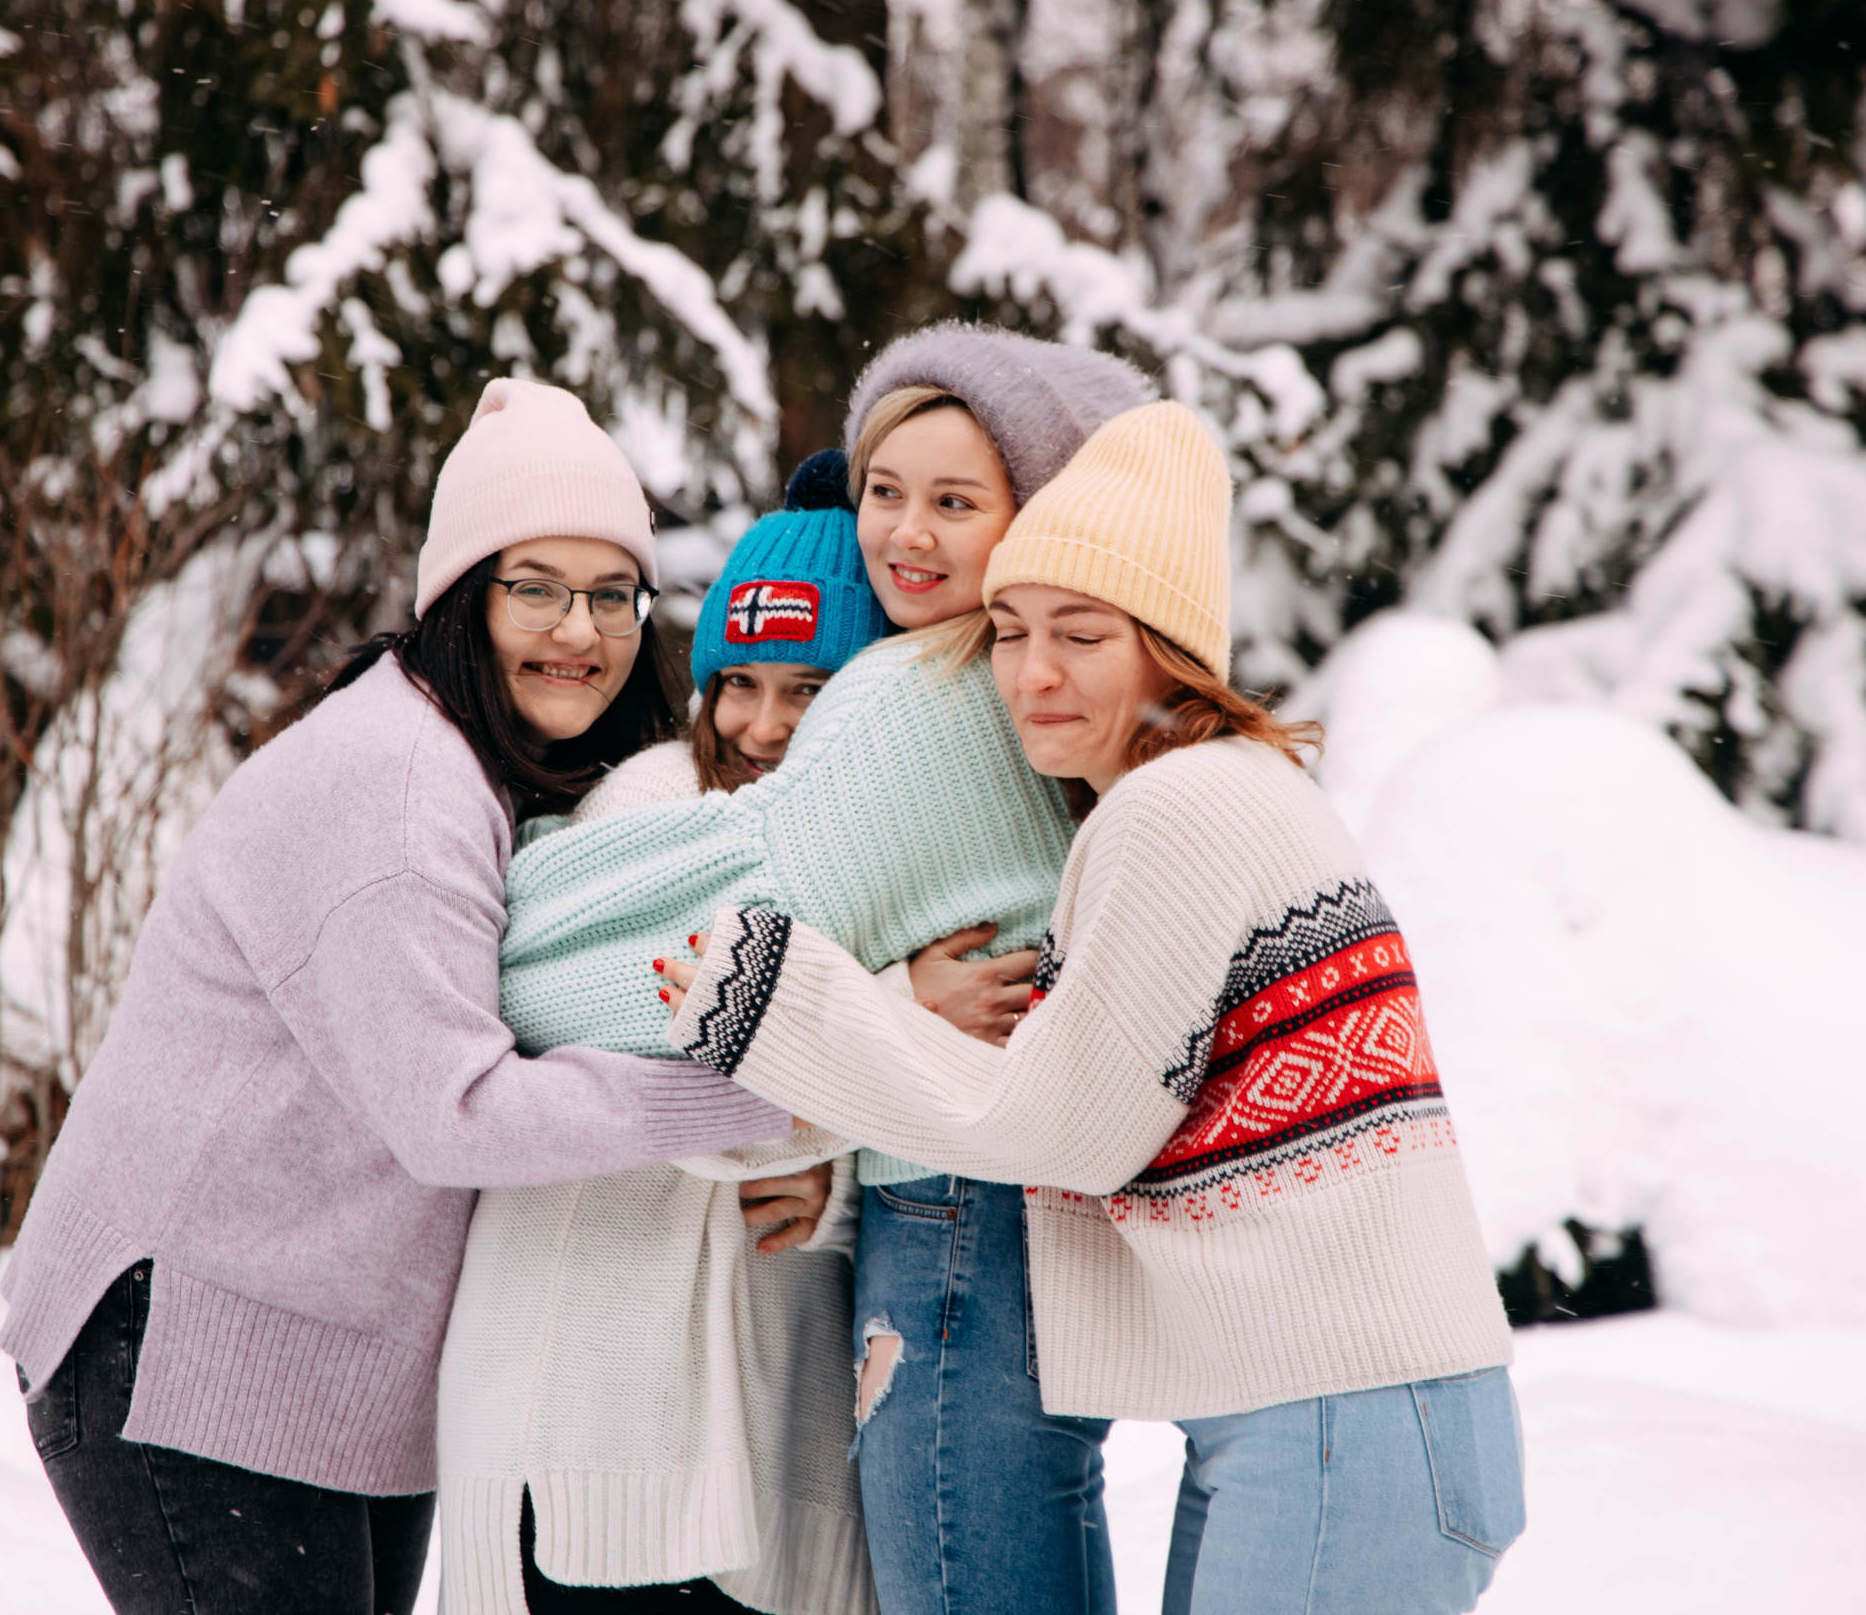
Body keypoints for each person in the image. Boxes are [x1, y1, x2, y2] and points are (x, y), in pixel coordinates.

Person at [659, 402, 1526, 1615]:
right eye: (1010, 631)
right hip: (1333, 1417)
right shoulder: (1216, 790)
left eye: (1081, 635)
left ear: (1168, 650)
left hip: (1343, 1424)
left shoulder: (1173, 810)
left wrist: (787, 1004)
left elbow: (1063, 1128)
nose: (1032, 674)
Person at [0, 378, 794, 1615]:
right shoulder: (402, 793)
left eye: (611, 594)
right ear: (461, 598)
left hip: (326, 1365)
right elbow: (457, 1113)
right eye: (535, 587)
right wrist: (765, 1091)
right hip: (187, 1350)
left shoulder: (498, 769)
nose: (579, 631)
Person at [489, 326, 1156, 1615]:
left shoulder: (921, 696)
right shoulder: (1024, 688)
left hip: (933, 1236)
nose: (905, 531)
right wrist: (867, 1044)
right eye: (884, 492)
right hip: (875, 1267)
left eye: (954, 501)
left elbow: (688, 966)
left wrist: (498, 916)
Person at [439, 451, 890, 1615]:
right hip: (590, 1424)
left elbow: (847, 1130)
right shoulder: (656, 808)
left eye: (809, 690)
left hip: (737, 1441)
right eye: (739, 683)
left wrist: (835, 1180)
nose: (761, 725)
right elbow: (689, 1062)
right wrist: (889, 1033)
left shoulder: (875, 851)